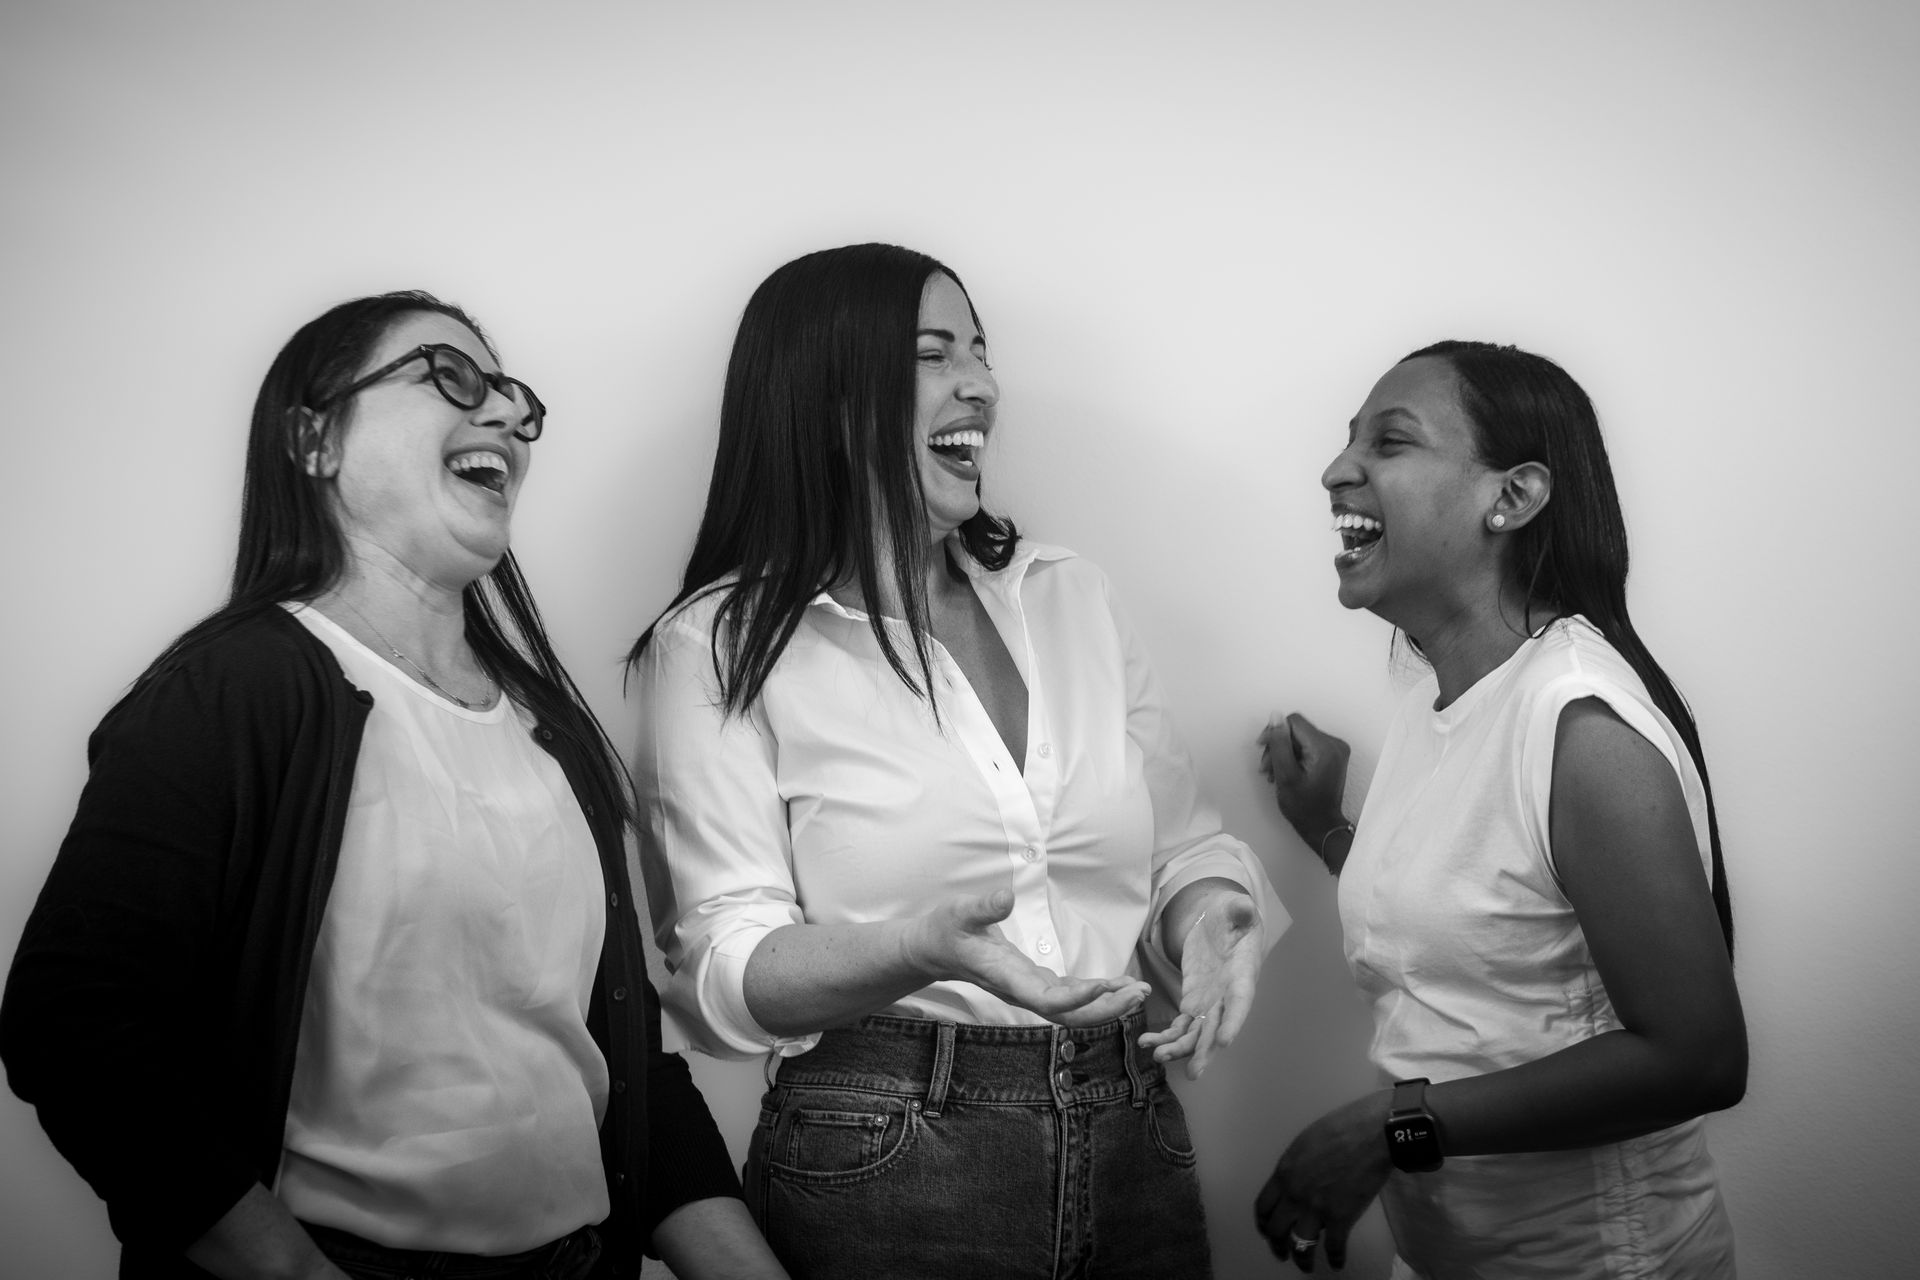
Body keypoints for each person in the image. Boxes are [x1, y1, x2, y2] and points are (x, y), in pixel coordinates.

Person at [1, 292, 786, 1280]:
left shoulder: (548, 727)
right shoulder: (231, 693)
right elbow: (74, 1022)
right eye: (450, 376)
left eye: (515, 398)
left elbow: (624, 1067)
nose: (508, 413)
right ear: (315, 439)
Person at [628, 243, 1286, 1278]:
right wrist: (919, 946)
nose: (980, 385)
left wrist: (1209, 926)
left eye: (980, 352)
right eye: (933, 355)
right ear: (825, 400)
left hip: (1134, 1136)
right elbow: (720, 971)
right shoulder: (716, 645)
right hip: (888, 1150)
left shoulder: (1071, 595)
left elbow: (1183, 851)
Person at [1253, 341, 1745, 1278]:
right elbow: (1473, 918)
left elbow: (1701, 1060)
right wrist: (1327, 827)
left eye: (1389, 441)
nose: (1336, 470)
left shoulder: (1582, 728)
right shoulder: (1435, 692)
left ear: (1512, 498)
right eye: (1349, 439)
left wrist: (1389, 1128)